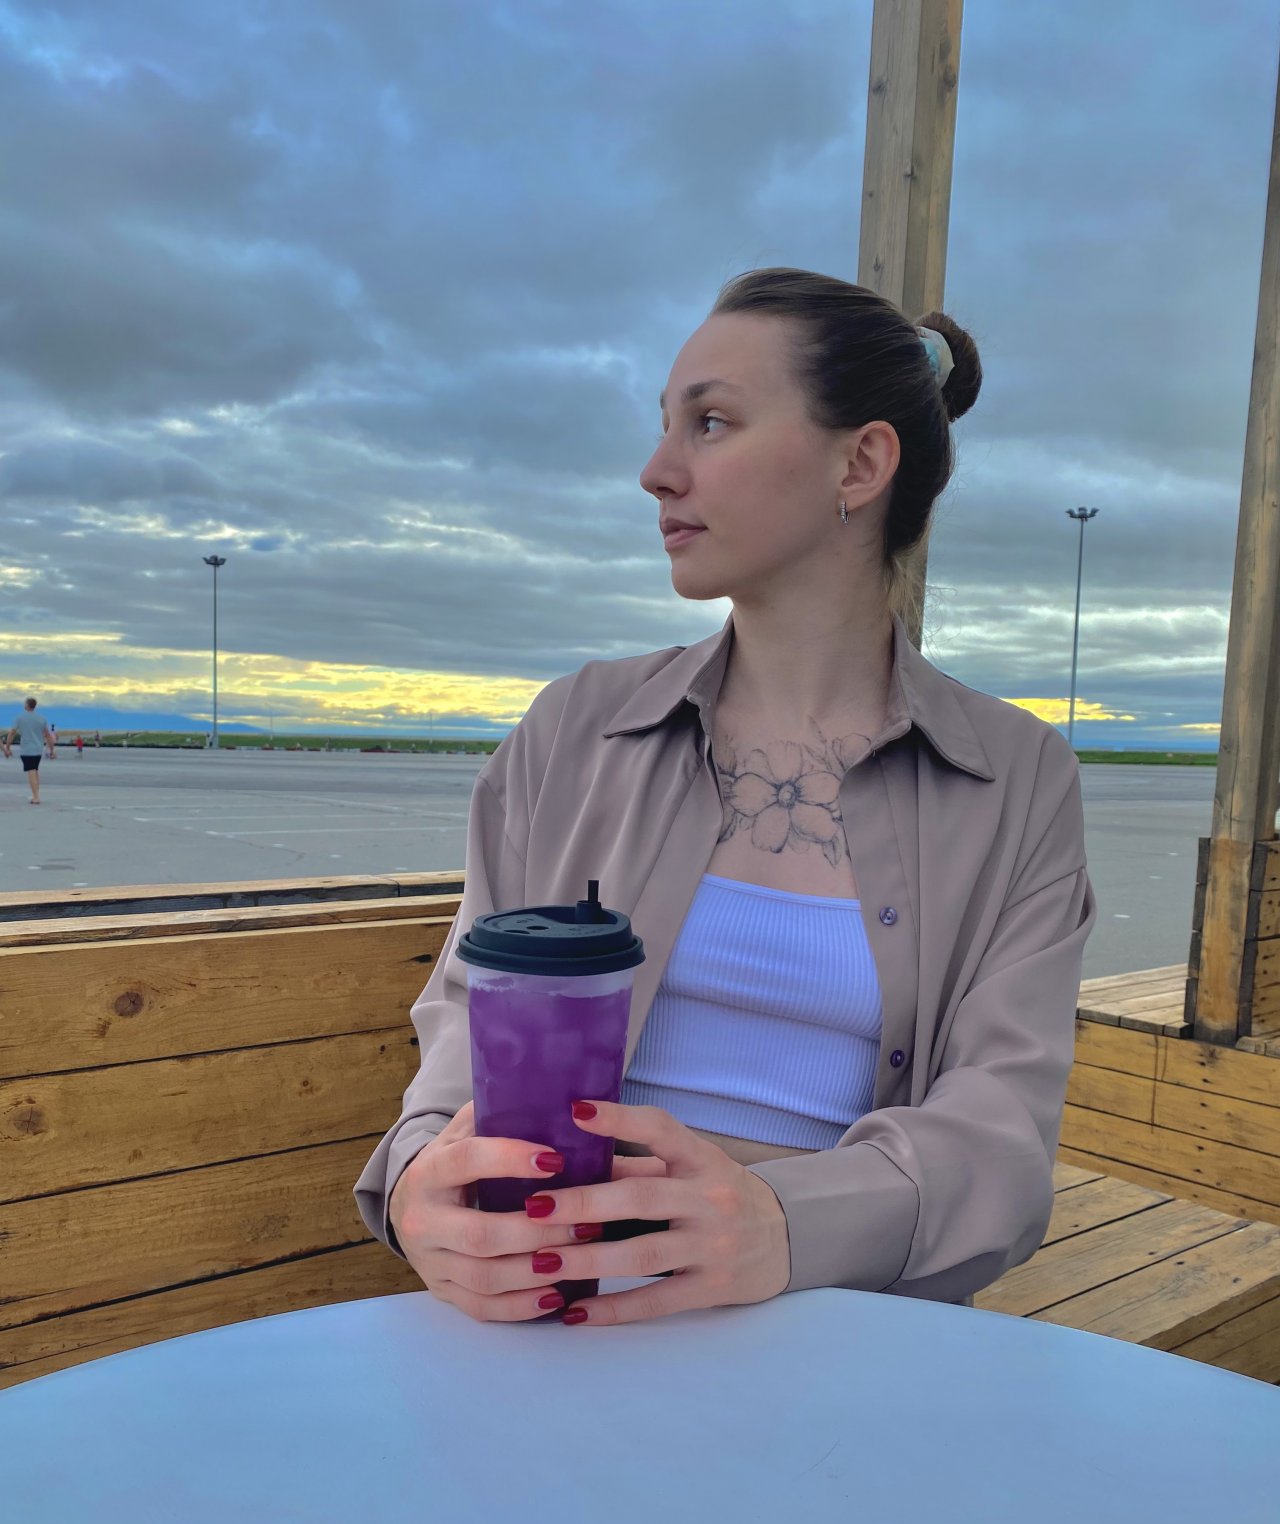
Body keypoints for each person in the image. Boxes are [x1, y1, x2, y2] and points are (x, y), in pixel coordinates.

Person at [355, 267, 1096, 1328]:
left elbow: (1000, 1141)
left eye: (709, 423)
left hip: (844, 1328)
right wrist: (422, 1172)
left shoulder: (1016, 779)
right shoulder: (572, 729)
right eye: (664, 425)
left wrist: (779, 1222)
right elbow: (472, 1014)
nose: (656, 472)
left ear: (860, 462)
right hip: (554, 1321)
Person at [4, 696, 56, 804]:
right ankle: (36, 794)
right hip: (38, 749)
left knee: (31, 771)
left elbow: (12, 733)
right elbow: (48, 735)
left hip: (27, 749)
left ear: (27, 705)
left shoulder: (20, 718)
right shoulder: (41, 718)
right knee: (35, 771)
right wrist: (52, 750)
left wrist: (7, 747)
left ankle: (36, 797)